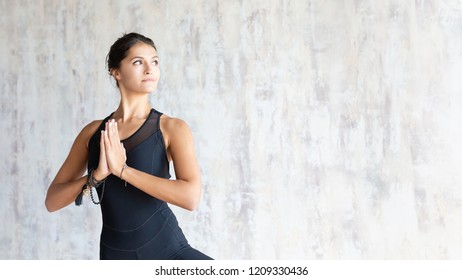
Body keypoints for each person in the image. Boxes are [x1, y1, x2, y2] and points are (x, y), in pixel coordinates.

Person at [45, 32, 212, 260]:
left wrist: (123, 171)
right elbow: (52, 201)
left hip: (169, 253)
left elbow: (191, 198)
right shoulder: (93, 133)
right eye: (137, 62)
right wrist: (96, 176)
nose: (149, 69)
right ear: (116, 72)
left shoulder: (172, 128)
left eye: (154, 61)